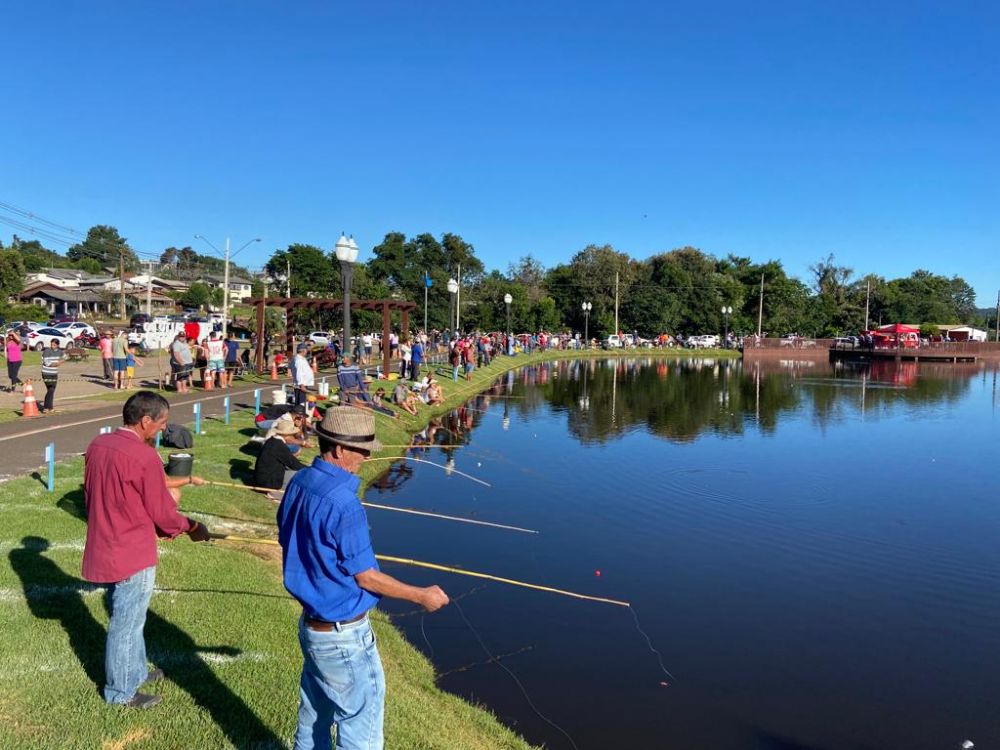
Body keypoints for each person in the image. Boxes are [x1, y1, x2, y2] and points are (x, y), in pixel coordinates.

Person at [277, 407, 448, 750]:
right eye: (362, 450)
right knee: (362, 732)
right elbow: (367, 578)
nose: (367, 457)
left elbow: (286, 537)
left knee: (313, 718)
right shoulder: (345, 504)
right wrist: (421, 595)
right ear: (339, 449)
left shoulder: (299, 482)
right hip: (344, 637)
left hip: (312, 628)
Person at [81, 391, 212, 708]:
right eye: (161, 423)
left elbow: (106, 495)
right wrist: (191, 527)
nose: (163, 429)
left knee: (131, 618)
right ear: (145, 421)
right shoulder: (144, 457)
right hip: (131, 551)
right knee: (125, 624)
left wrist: (159, 526)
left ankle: (135, 671)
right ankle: (121, 692)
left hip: (106, 541)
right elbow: (163, 511)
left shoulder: (97, 445)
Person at [254, 416, 307, 494]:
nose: (293, 436)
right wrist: (310, 470)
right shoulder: (279, 445)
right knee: (299, 475)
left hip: (260, 479)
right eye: (292, 434)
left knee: (290, 471)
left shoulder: (272, 440)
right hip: (268, 483)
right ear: (287, 435)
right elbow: (294, 464)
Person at [39, 338, 63, 413]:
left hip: (54, 374)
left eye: (54, 345)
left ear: (58, 345)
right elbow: (46, 363)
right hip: (46, 373)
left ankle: (50, 407)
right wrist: (56, 364)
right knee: (51, 389)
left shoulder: (60, 352)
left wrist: (61, 361)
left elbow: (66, 357)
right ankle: (46, 407)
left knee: (51, 391)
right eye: (51, 344)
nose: (52, 346)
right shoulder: (47, 351)